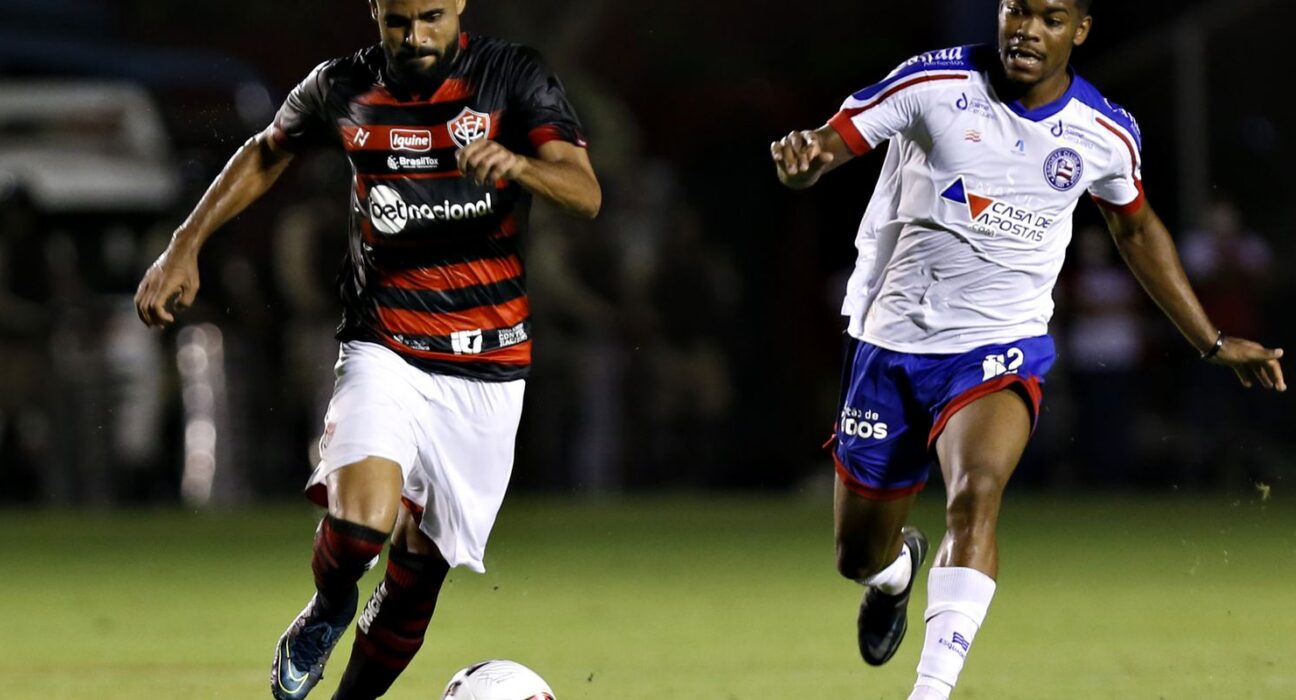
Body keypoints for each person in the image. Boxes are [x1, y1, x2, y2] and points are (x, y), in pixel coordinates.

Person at [769, 1, 1284, 698]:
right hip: (891, 341)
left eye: (1050, 18)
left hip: (999, 345)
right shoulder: (932, 83)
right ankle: (893, 574)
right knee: (857, 556)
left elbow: (1136, 229)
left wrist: (1211, 340)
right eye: (1016, 10)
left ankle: (930, 691)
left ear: (1080, 30)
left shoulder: (1103, 132)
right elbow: (830, 143)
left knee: (975, 494)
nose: (1026, 31)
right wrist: (804, 162)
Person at [135, 0, 601, 698]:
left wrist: (519, 166)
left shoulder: (513, 77)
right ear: (375, 12)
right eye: (397, 21)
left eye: (431, 17)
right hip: (387, 345)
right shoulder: (343, 86)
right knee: (359, 530)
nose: (415, 36)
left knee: (418, 573)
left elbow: (585, 192)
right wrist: (185, 243)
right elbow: (267, 149)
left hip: (489, 364)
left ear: (460, 3)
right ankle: (329, 606)